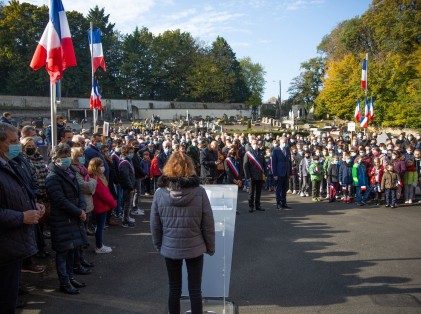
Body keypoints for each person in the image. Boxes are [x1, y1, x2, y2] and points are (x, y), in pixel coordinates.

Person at [150, 151, 215, 314]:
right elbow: (208, 223)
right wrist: (210, 246)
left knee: (174, 289)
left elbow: (155, 224)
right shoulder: (199, 192)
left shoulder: (160, 193)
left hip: (170, 246)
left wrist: (159, 245)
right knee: (195, 289)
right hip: (195, 246)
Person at [0, 122, 45, 313]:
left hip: (12, 247)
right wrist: (21, 217)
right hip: (4, 248)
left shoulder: (10, 163)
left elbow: (17, 192)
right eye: (13, 141)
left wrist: (33, 204)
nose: (18, 144)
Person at [46, 143, 88, 294]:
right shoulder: (52, 177)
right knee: (63, 252)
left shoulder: (69, 171)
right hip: (63, 219)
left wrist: (82, 208)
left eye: (67, 157)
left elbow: (79, 192)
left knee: (72, 250)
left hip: (74, 217)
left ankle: (70, 277)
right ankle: (64, 282)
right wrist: (78, 212)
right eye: (63, 157)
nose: (66, 160)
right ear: (56, 159)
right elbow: (60, 201)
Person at [88, 157, 117, 253]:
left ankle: (100, 245)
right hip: (101, 206)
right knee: (100, 227)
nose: (103, 167)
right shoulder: (96, 179)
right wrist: (113, 203)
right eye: (101, 166)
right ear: (96, 167)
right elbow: (104, 195)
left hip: (99, 205)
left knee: (99, 226)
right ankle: (99, 246)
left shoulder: (95, 176)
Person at [243, 139, 266, 212]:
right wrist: (248, 176)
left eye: (256, 143)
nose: (256, 145)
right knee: (251, 192)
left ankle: (258, 205)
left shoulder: (261, 153)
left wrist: (265, 174)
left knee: (258, 192)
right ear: (251, 144)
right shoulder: (248, 153)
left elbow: (264, 164)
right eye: (254, 143)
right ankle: (251, 206)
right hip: (251, 176)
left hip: (259, 175)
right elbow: (245, 166)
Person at [271, 137, 292, 209]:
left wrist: (290, 173)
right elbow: (273, 163)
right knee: (278, 189)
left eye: (286, 142)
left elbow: (289, 161)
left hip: (286, 172)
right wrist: (275, 174)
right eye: (283, 142)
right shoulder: (275, 150)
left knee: (284, 189)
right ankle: (278, 203)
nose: (285, 144)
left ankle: (284, 203)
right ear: (280, 142)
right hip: (279, 172)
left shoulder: (287, 149)